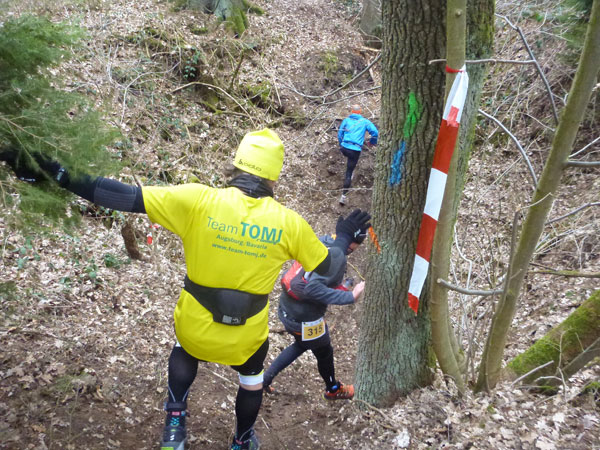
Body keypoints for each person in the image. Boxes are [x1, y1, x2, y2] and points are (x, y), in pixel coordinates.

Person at [0, 129, 370, 450]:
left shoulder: (198, 200)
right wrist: (341, 239)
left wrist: (59, 174)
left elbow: (120, 195)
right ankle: (242, 440)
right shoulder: (290, 224)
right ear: (274, 177)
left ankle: (175, 425)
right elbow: (328, 268)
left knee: (184, 348)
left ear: (237, 164)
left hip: (195, 329)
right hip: (244, 338)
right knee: (252, 378)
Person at [263, 209, 371, 400]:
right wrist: (351, 296)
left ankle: (264, 380)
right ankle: (333, 389)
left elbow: (315, 275)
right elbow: (313, 289)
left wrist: (340, 287)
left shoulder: (323, 241)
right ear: (354, 243)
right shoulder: (337, 256)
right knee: (324, 352)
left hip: (286, 309)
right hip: (304, 320)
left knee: (302, 344)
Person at [337, 104, 379, 205]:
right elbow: (375, 133)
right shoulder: (365, 122)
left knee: (348, 160)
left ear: (352, 111)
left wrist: (341, 144)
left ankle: (346, 163)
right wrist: (372, 142)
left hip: (344, 148)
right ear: (360, 112)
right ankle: (343, 196)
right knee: (349, 171)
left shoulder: (346, 120)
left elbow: (340, 134)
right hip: (355, 150)